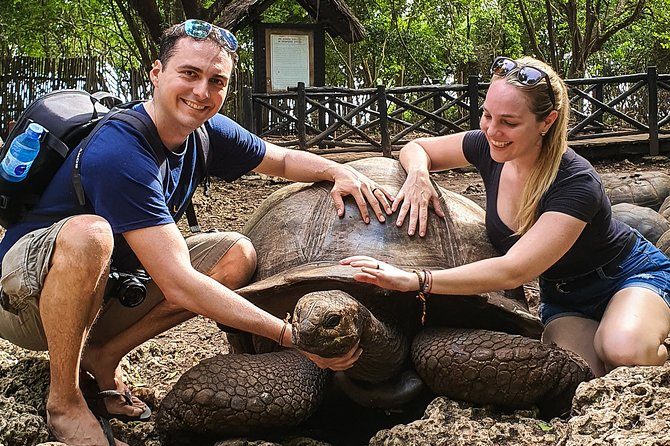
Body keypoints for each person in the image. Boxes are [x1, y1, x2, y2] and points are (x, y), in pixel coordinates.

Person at [0, 20, 392, 446]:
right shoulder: (120, 152)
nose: (202, 92)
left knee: (236, 254)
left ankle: (103, 354)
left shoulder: (204, 131)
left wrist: (339, 169)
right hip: (27, 300)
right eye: (189, 74)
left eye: (216, 80)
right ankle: (65, 399)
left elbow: (278, 161)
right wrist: (290, 337)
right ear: (156, 73)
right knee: (89, 235)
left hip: (108, 289)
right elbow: (180, 284)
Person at [342, 56, 670, 381]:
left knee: (624, 351)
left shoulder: (576, 183)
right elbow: (416, 147)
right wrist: (418, 175)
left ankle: (654, 337)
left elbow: (514, 271)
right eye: (486, 115)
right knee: (584, 377)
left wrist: (415, 279)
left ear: (547, 121)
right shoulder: (488, 147)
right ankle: (622, 326)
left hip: (624, 276)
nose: (492, 130)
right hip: (564, 298)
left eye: (509, 122)